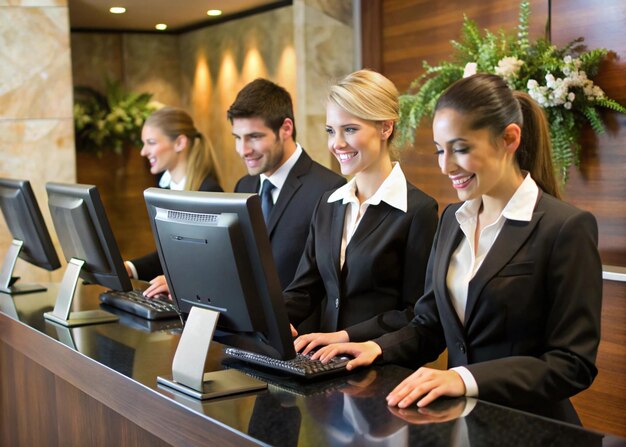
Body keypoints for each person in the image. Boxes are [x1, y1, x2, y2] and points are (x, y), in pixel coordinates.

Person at [312, 73, 602, 424]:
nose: (446, 166)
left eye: (460, 149)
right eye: (440, 150)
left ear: (509, 139)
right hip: (462, 425)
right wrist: (376, 347)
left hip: (533, 429)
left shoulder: (565, 228)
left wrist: (464, 378)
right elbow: (430, 323)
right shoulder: (452, 219)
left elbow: (573, 364)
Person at [285, 70, 438, 350]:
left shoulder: (419, 210)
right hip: (323, 365)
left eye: (350, 129)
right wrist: (266, 318)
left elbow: (416, 312)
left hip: (382, 370)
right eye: (331, 131)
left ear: (385, 128)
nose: (337, 143)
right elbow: (305, 290)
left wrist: (345, 337)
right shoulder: (328, 203)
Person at [228, 79, 346, 295]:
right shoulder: (243, 186)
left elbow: (325, 283)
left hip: (299, 326)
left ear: (286, 128)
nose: (243, 150)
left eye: (254, 137)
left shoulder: (329, 189)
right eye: (237, 138)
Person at [125, 107, 223, 296]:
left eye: (151, 143)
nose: (143, 152)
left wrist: (177, 282)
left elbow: (212, 264)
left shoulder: (208, 192)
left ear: (179, 143)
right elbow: (169, 255)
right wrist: (129, 267)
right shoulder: (165, 188)